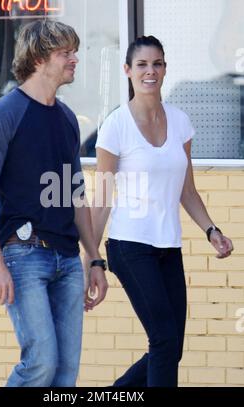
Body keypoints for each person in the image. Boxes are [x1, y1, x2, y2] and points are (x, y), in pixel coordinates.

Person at [86, 35, 234, 387]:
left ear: (165, 68)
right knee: (164, 339)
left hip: (168, 246)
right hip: (129, 245)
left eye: (157, 63)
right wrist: (91, 260)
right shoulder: (116, 125)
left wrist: (212, 230)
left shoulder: (181, 122)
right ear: (127, 71)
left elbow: (187, 190)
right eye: (142, 65)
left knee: (170, 345)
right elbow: (102, 196)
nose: (150, 71)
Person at [0, 19, 108, 387]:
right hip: (23, 256)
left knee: (65, 374)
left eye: (74, 51)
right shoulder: (2, 116)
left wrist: (93, 257)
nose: (75, 59)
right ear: (39, 59)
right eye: (66, 53)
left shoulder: (66, 120)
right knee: (40, 364)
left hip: (67, 259)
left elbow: (75, 193)